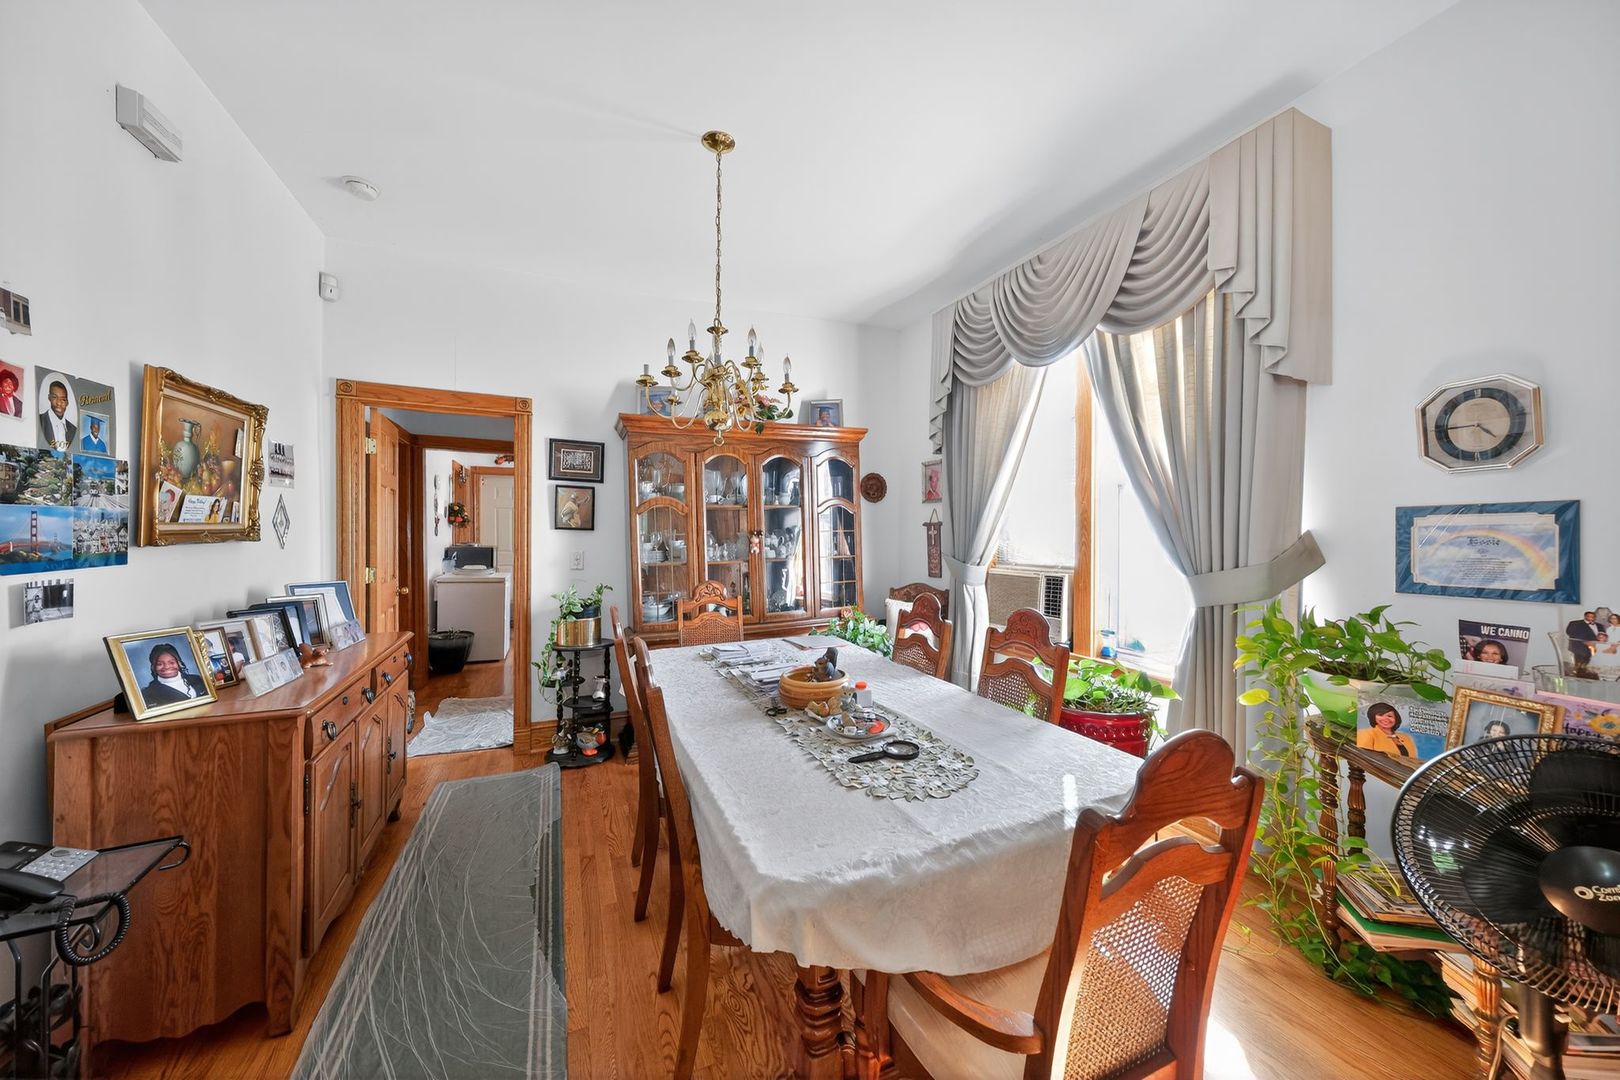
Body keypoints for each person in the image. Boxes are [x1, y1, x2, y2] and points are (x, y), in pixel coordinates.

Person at [142, 642, 209, 705]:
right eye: (159, 664)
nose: (167, 667)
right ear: (153, 667)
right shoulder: (148, 693)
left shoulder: (198, 679)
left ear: (179, 663)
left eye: (172, 662)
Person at [38, 378, 76, 451]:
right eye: (55, 397)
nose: (59, 403)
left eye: (63, 399)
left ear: (67, 403)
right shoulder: (39, 421)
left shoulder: (73, 429)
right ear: (49, 398)